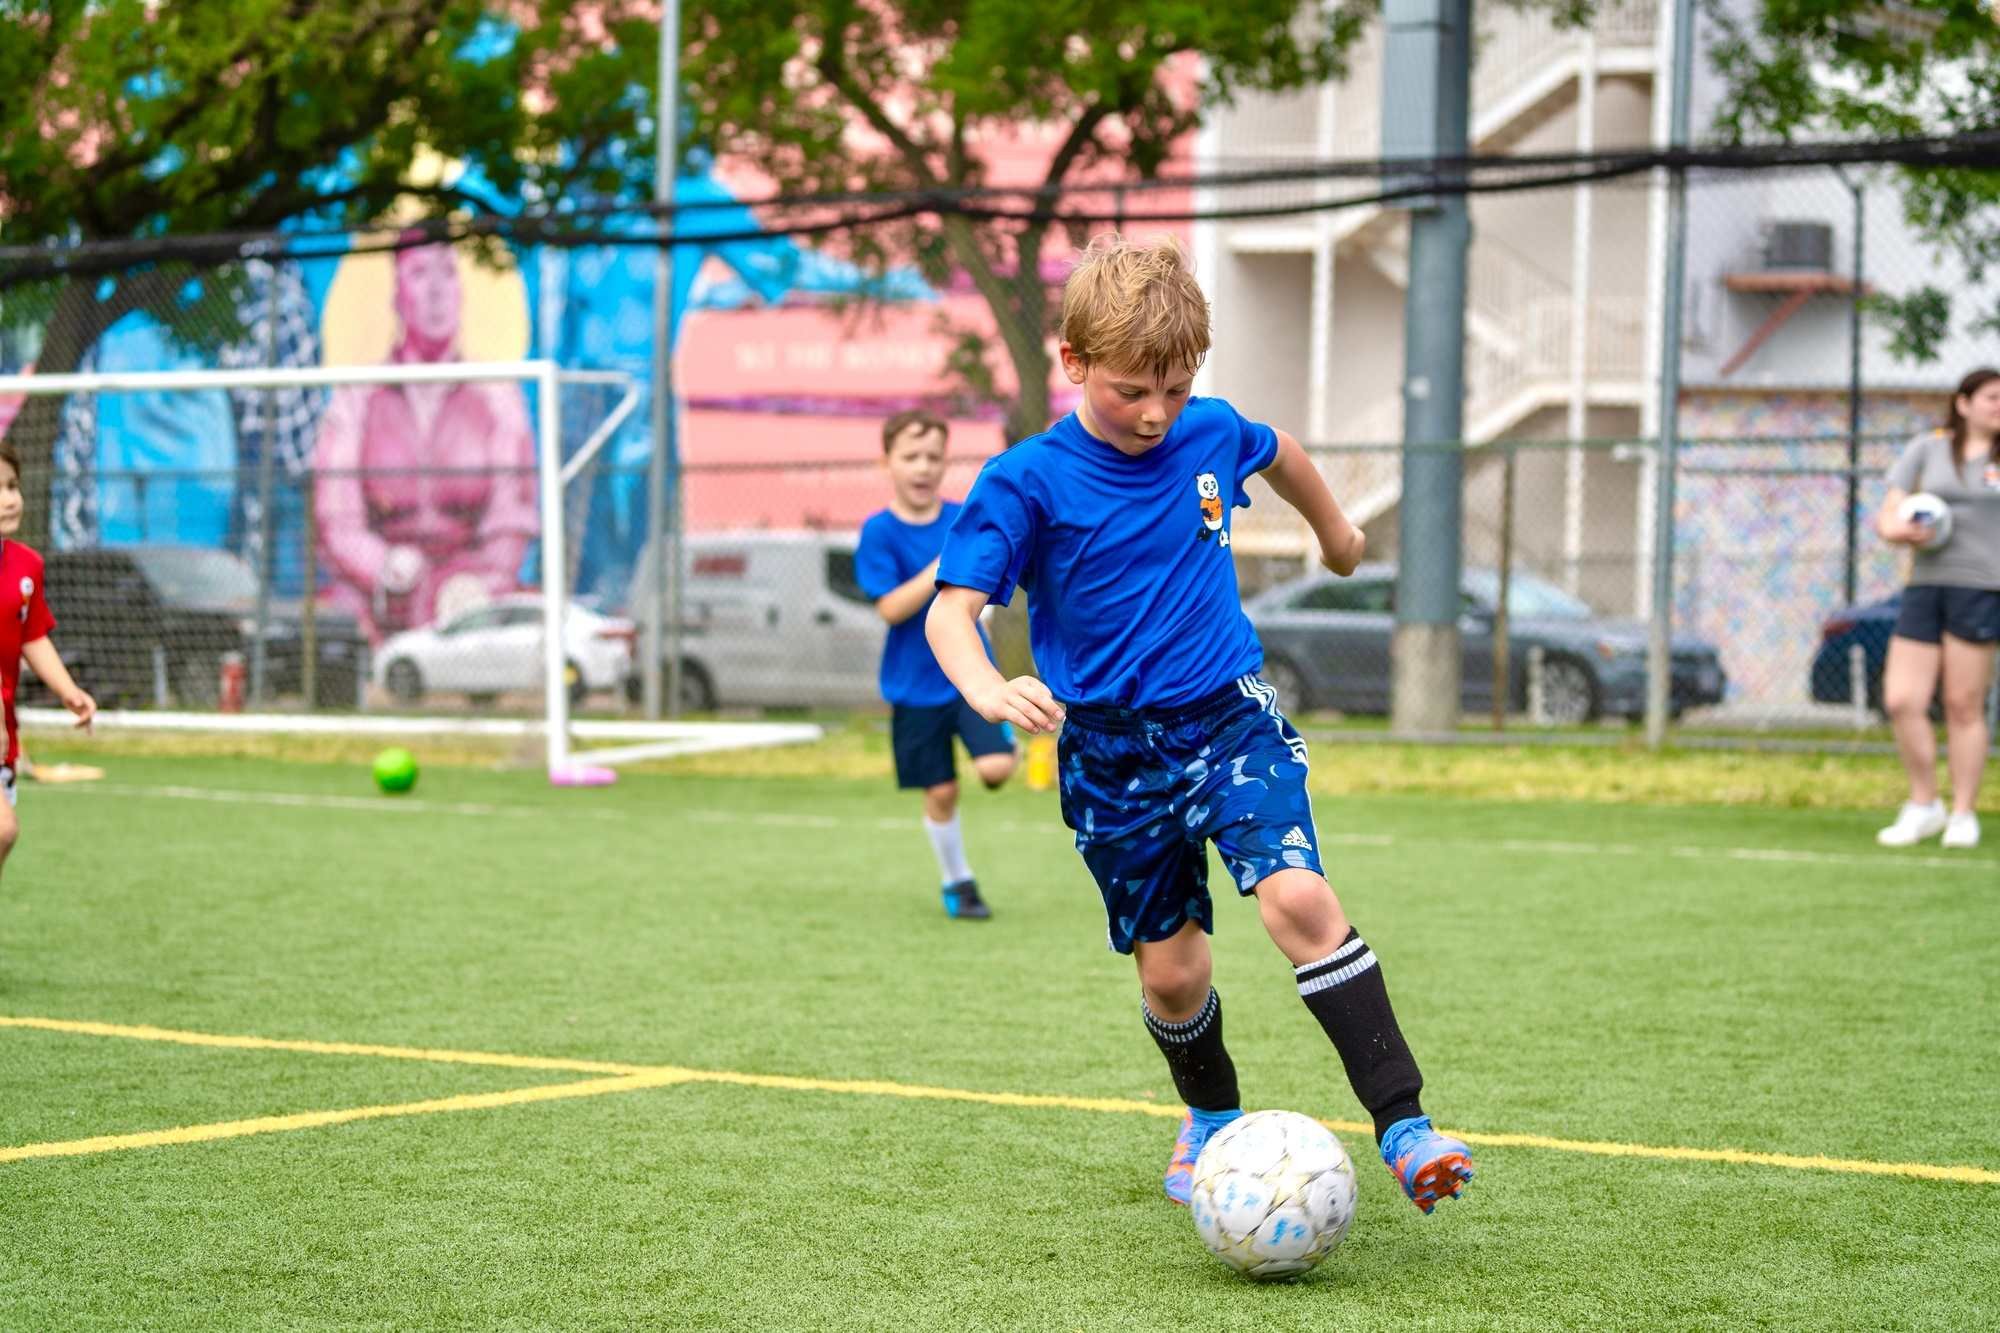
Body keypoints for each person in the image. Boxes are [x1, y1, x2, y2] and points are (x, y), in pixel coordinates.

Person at [924, 234, 1474, 1213]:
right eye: (1132, 389)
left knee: (1297, 899)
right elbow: (949, 609)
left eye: (1174, 389)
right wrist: (984, 686)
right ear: (1074, 364)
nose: (1154, 412)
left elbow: (1281, 451)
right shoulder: (1026, 480)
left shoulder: (1207, 430)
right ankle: (1211, 1115)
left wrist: (1336, 534)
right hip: (1106, 750)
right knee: (1174, 975)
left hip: (1226, 714)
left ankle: (1404, 1124)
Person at [314, 242, 538, 642]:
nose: (437, 291)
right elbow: (336, 518)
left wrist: (481, 584)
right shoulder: (358, 396)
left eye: (448, 273)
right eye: (419, 274)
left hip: (470, 602)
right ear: (396, 295)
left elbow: (512, 519)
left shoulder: (497, 395)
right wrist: (383, 566)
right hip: (376, 601)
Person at [855, 409, 1017, 920]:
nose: (923, 468)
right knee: (942, 791)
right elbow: (890, 608)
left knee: (995, 770)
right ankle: (958, 883)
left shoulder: (960, 519)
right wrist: (938, 568)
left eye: (933, 457)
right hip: (913, 688)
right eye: (910, 457)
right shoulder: (879, 532)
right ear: (887, 462)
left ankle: (995, 748)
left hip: (969, 677)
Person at [1873, 367, 2000, 850]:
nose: (1998, 406)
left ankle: (1964, 813)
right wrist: (1895, 530)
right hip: (1926, 587)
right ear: (1963, 403)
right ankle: (1924, 804)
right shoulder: (1928, 448)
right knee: (1902, 700)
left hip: (1982, 588)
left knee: (1962, 704)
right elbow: (1890, 510)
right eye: (1991, 397)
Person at [0, 441, 97, 882]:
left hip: (6, 732)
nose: (9, 498)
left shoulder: (26, 566)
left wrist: (67, 690)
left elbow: (31, 635)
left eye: (13, 485)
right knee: (2, 830)